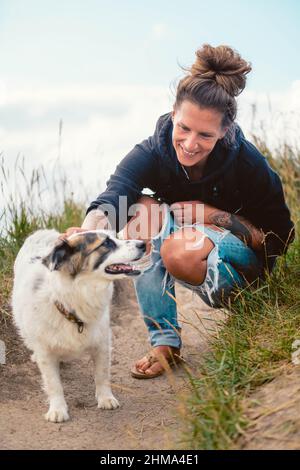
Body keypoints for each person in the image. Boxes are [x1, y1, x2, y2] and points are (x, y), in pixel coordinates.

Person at [64, 44, 295, 379]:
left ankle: (248, 305)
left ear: (224, 132)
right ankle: (165, 343)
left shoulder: (247, 162)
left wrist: (215, 216)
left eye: (205, 135)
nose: (189, 143)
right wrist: (89, 232)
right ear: (173, 114)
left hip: (244, 255)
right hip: (187, 238)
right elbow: (115, 195)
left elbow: (281, 236)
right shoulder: (152, 151)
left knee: (179, 251)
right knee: (141, 211)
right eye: (184, 128)